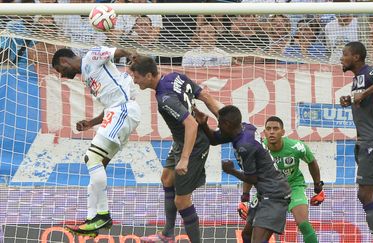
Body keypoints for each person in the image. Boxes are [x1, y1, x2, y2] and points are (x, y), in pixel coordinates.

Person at [129, 55, 221, 243]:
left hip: (194, 145)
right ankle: (167, 235)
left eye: (136, 77)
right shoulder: (175, 76)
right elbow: (205, 95)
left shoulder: (164, 97)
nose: (134, 80)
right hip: (181, 141)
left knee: (182, 201)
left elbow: (192, 125)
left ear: (148, 76)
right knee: (167, 178)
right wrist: (222, 116)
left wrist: (185, 158)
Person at [51, 46, 140, 236]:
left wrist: (130, 55)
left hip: (123, 111)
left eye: (60, 71)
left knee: (91, 158)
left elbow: (118, 50)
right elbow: (110, 104)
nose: (62, 75)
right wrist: (91, 123)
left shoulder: (91, 57)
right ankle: (92, 220)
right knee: (95, 168)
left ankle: (103, 215)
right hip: (115, 112)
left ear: (64, 61)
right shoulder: (88, 76)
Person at [194, 105, 291, 243]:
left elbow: (252, 178)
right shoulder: (245, 128)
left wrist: (231, 171)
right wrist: (203, 124)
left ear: (227, 124)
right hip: (265, 193)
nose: (218, 127)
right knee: (246, 236)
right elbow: (214, 140)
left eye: (220, 124)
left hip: (275, 194)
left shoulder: (245, 146)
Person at [339, 41, 373, 243]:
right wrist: (350, 99)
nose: (341, 58)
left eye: (344, 54)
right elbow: (363, 100)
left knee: (364, 194)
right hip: (371, 141)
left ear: (356, 57)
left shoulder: (369, 72)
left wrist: (363, 94)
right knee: (372, 193)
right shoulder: (357, 80)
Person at [239, 115, 324, 243]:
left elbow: (312, 162)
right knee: (247, 231)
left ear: (283, 132)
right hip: (268, 190)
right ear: (265, 132)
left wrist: (318, 187)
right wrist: (244, 199)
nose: (272, 131)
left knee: (303, 223)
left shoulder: (296, 147)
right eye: (268, 129)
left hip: (293, 187)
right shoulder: (258, 149)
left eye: (275, 128)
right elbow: (250, 173)